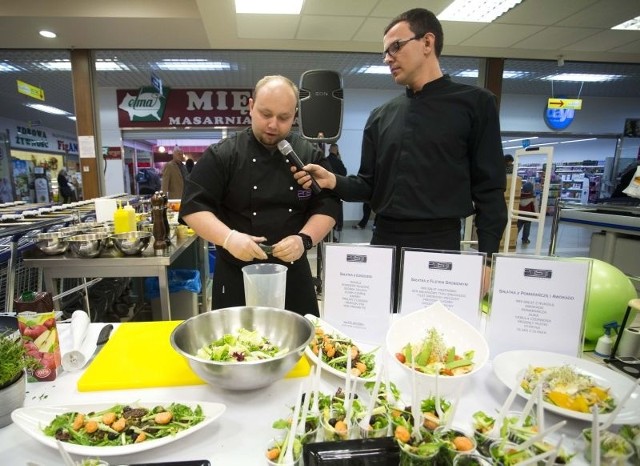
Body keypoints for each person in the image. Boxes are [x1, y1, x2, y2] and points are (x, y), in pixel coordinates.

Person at [293, 8, 507, 302]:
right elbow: (368, 186)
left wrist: (487, 259)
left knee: (433, 336)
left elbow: (490, 189)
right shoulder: (381, 116)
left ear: (427, 43)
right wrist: (333, 180)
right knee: (380, 326)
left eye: (396, 46)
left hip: (440, 243)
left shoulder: (475, 105)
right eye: (384, 51)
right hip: (385, 240)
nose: (387, 58)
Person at [179, 75, 340, 317]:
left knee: (302, 348)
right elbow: (193, 207)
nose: (273, 125)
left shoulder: (308, 153)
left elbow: (327, 207)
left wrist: (304, 240)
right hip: (236, 275)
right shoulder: (223, 154)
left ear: (295, 116)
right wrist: (229, 238)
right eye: (266, 114)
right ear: (251, 107)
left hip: (293, 274)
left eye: (284, 118)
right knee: (235, 349)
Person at [326, 143, 347, 234]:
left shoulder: (325, 160)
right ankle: (339, 226)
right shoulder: (338, 161)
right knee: (338, 208)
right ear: (337, 150)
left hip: (326, 189)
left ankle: (328, 228)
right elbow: (344, 173)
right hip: (337, 188)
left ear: (329, 150)